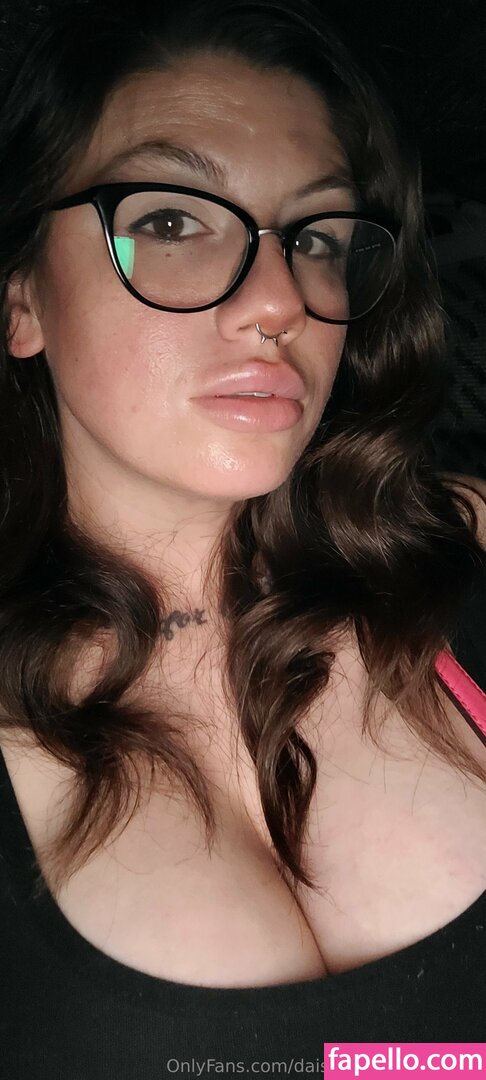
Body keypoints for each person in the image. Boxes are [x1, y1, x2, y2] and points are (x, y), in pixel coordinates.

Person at [0, 0, 485, 1071]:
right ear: (21, 299)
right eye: (173, 222)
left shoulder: (458, 548)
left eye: (314, 238)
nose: (279, 303)